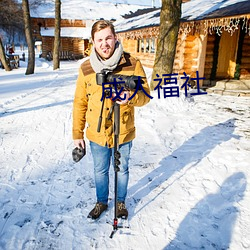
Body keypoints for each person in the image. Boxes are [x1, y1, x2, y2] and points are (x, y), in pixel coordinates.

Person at [72, 20, 151, 220]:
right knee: (100, 170)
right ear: (93, 42)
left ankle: (120, 202)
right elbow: (80, 102)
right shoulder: (86, 68)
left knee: (121, 169)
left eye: (108, 38)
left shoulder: (132, 64)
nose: (104, 44)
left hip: (123, 131)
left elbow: (146, 96)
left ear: (116, 38)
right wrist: (77, 134)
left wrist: (130, 97)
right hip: (97, 134)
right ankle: (101, 202)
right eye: (99, 40)